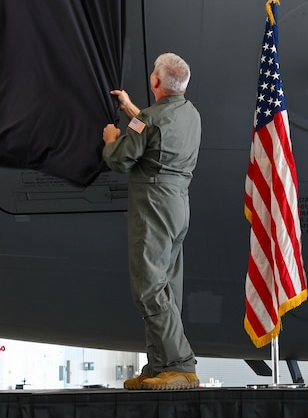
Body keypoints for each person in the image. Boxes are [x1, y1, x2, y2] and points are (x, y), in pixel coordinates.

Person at [102, 53, 201, 391]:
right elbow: (155, 129)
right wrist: (132, 110)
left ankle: (181, 365)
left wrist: (111, 139)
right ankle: (160, 364)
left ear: (155, 81)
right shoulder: (190, 114)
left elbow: (120, 160)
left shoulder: (149, 118)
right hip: (177, 204)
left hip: (153, 206)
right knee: (167, 287)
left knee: (148, 288)